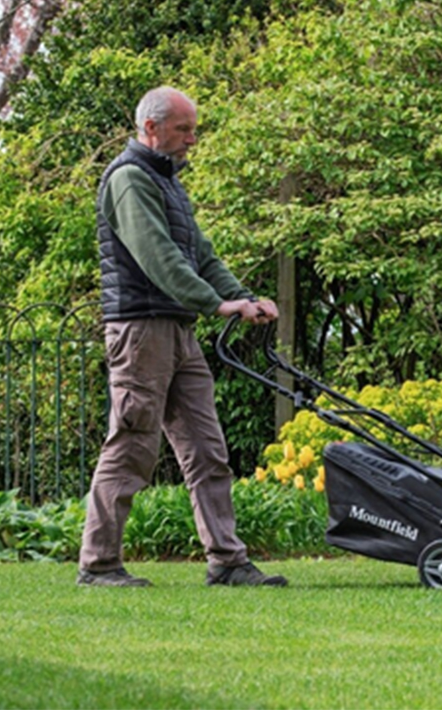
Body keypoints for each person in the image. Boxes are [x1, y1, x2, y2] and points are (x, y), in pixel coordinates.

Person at [77, 86, 287, 588]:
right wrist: (215, 304)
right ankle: (99, 565)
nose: (193, 139)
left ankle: (228, 562)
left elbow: (200, 255)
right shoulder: (130, 179)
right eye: (184, 129)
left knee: (207, 449)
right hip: (140, 328)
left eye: (193, 129)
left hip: (178, 329)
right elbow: (158, 258)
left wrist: (243, 296)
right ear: (151, 128)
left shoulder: (168, 183)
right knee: (130, 444)